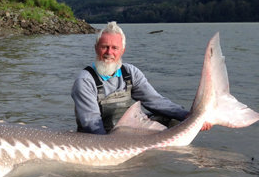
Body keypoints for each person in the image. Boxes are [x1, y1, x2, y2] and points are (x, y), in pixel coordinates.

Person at [71, 21, 211, 134]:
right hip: (100, 137)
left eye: (114, 48)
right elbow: (92, 125)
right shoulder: (85, 81)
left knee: (170, 118)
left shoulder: (130, 73)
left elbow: (155, 102)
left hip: (125, 131)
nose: (109, 52)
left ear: (122, 50)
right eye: (105, 47)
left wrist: (188, 116)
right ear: (96, 48)